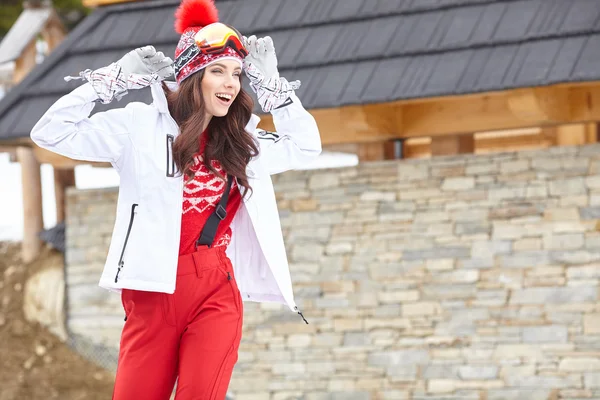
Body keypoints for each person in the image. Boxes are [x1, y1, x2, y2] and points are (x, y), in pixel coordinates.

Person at [30, 0, 321, 398]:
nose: (230, 84)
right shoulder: (138, 127)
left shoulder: (240, 141)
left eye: (236, 74)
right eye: (217, 71)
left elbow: (306, 146)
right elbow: (49, 132)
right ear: (192, 75)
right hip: (152, 294)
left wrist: (272, 85)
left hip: (216, 287)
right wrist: (114, 79)